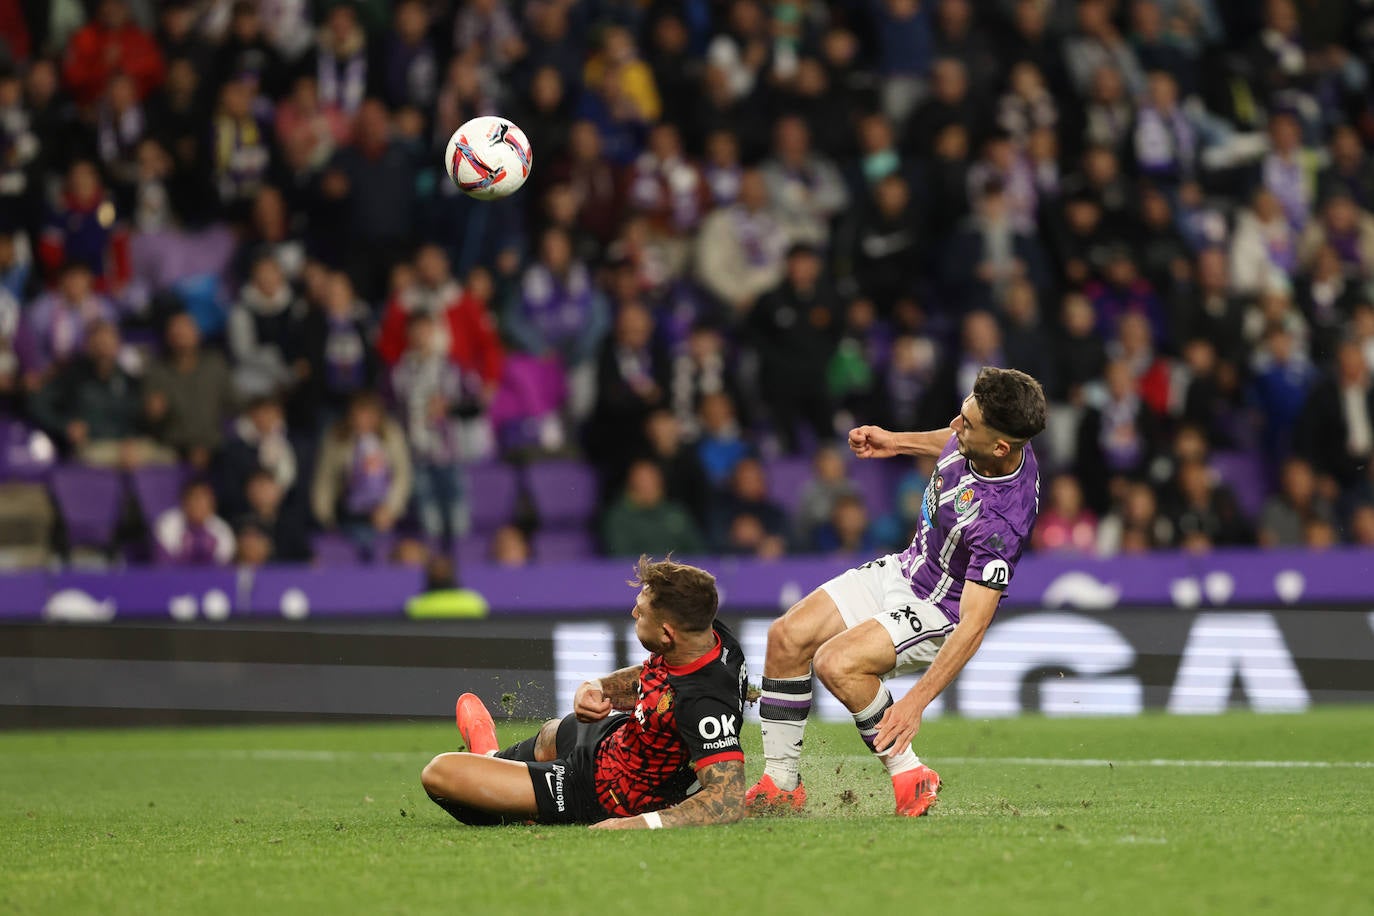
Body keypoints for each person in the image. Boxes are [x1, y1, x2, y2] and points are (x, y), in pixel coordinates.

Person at [748, 367, 1046, 817]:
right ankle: (782, 786)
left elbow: (974, 624)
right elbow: (950, 442)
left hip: (940, 609)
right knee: (786, 636)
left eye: (966, 424)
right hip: (905, 568)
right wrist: (896, 442)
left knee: (836, 663)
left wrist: (915, 703)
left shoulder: (1000, 523)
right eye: (963, 413)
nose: (955, 426)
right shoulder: (986, 438)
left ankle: (910, 772)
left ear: (1001, 447)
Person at [421, 556, 747, 829]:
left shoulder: (705, 703)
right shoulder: (707, 633)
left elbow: (727, 800)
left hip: (602, 790)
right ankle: (490, 759)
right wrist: (599, 687)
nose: (634, 614)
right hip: (616, 738)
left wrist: (640, 824)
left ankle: (509, 785)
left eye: (642, 611)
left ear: (666, 634)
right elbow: (654, 678)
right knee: (553, 732)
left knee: (440, 773)